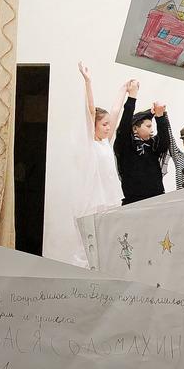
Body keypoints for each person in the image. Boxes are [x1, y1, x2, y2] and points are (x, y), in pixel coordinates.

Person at [75, 63, 127, 262]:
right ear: (93, 125)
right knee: (88, 246)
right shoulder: (90, 144)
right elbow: (90, 110)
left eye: (108, 125)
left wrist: (123, 89)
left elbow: (115, 111)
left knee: (107, 243)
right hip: (93, 200)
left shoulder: (106, 142)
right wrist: (88, 82)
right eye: (104, 124)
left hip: (109, 197)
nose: (108, 128)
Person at [114, 80, 171, 205]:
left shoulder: (153, 145)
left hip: (157, 199)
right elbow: (125, 122)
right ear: (135, 128)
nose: (152, 130)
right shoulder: (126, 145)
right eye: (148, 126)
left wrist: (160, 117)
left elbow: (165, 141)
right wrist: (132, 96)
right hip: (134, 202)